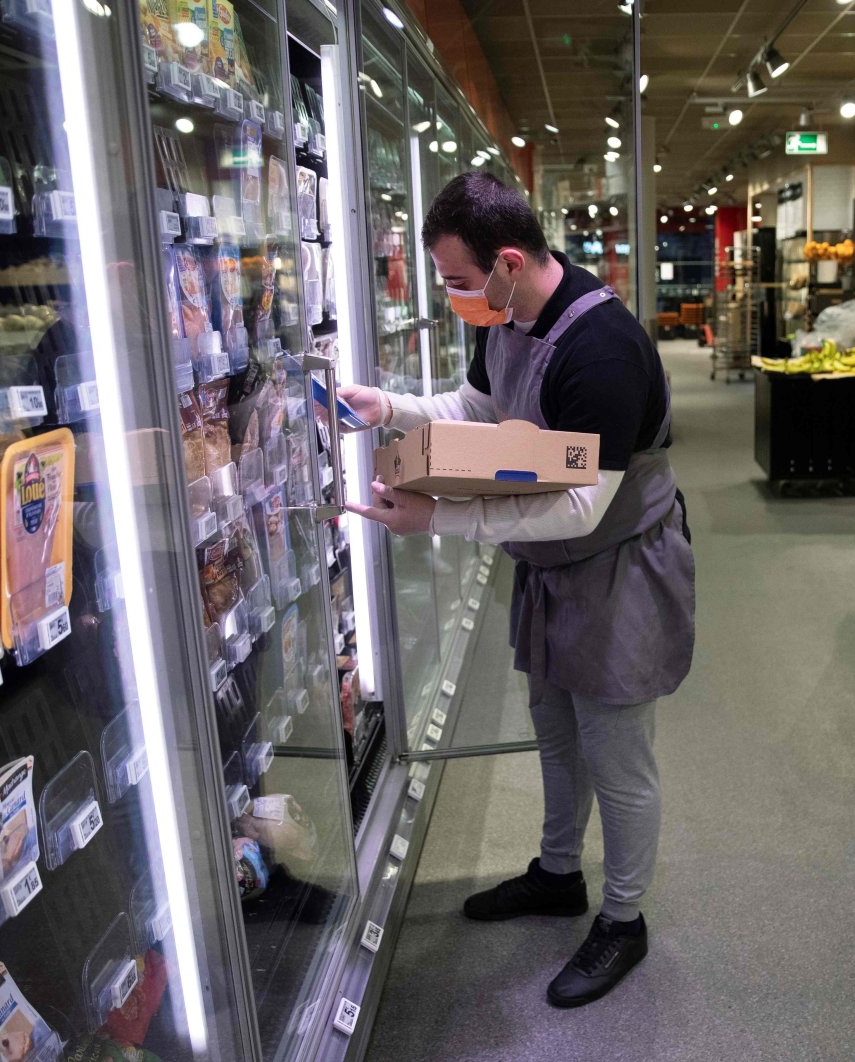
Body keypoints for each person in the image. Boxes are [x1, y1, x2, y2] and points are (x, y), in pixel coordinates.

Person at [339, 172, 695, 1008]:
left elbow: (577, 501)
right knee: (556, 729)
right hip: (551, 569)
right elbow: (479, 405)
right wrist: (388, 406)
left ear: (506, 260)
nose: (457, 297)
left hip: (617, 569)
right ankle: (558, 873)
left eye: (460, 282)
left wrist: (437, 520)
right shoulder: (507, 314)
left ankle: (624, 919)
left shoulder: (601, 348)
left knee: (617, 752)